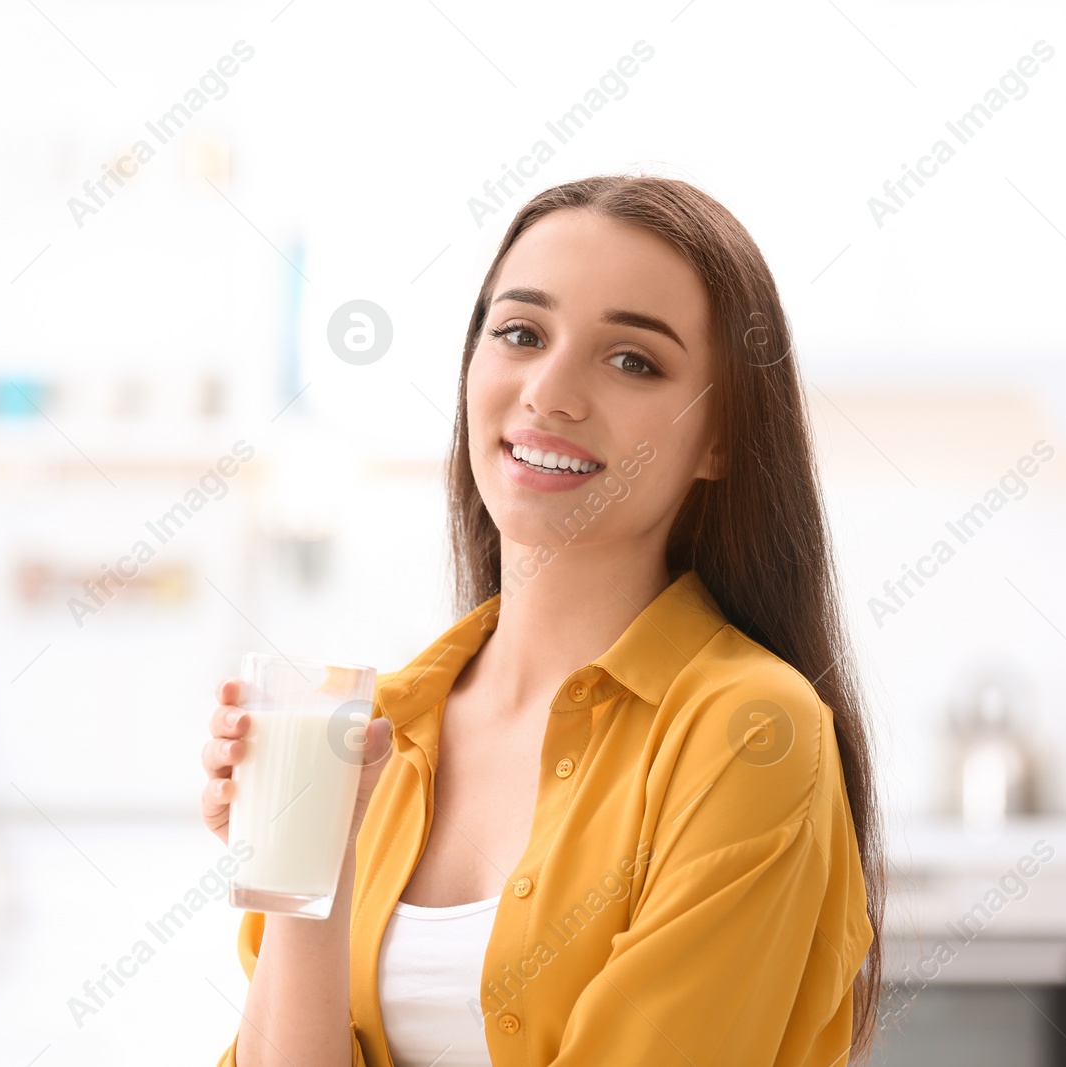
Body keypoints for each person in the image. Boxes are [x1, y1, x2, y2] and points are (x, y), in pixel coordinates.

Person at [201, 174, 885, 1066]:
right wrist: (306, 862)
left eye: (633, 359)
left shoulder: (750, 731)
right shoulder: (375, 732)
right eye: (521, 333)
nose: (550, 391)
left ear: (719, 436)